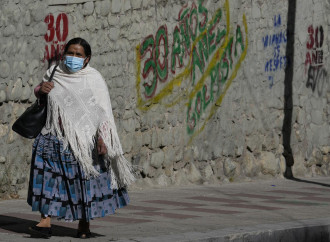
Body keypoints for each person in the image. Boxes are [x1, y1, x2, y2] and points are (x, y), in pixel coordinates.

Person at [27, 37, 135, 239]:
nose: (73, 57)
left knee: (82, 183)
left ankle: (84, 224)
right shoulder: (53, 72)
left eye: (78, 55)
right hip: (52, 137)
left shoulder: (93, 78)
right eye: (70, 53)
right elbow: (41, 93)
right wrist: (40, 90)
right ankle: (45, 222)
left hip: (83, 142)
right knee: (47, 179)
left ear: (87, 59)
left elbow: (102, 112)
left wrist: (103, 138)